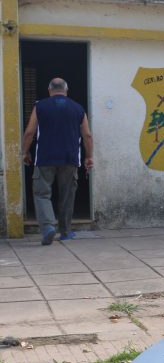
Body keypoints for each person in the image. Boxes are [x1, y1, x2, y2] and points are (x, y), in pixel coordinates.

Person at [21, 78, 93, 245]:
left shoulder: (40, 106)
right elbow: (87, 135)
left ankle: (48, 227)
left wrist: (24, 152)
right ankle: (65, 232)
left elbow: (30, 132)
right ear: (66, 90)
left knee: (42, 194)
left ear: (49, 90)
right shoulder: (78, 108)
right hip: (70, 158)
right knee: (67, 195)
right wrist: (89, 157)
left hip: (44, 158)